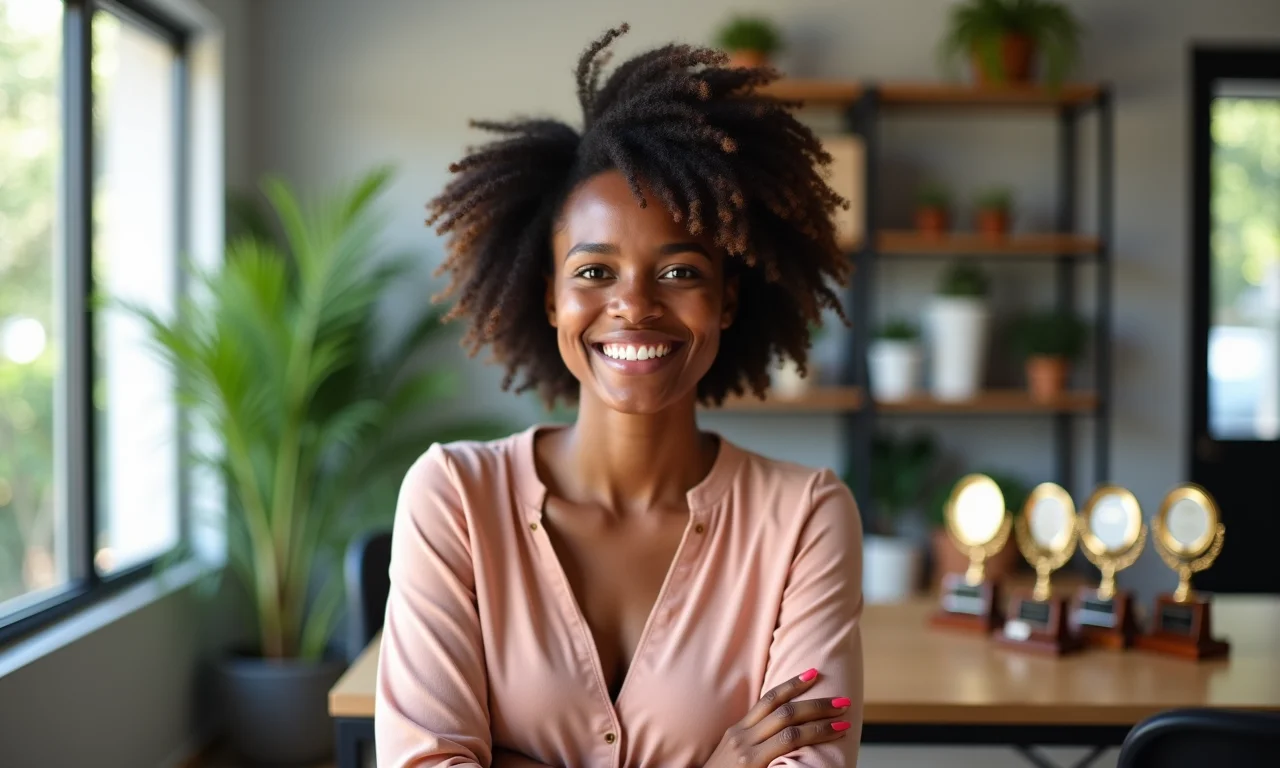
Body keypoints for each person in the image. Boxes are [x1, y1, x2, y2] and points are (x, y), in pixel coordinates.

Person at [375, 23, 864, 768]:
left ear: (728, 301)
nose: (633, 307)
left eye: (679, 273)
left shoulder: (805, 521)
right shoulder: (454, 498)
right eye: (595, 272)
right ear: (549, 300)